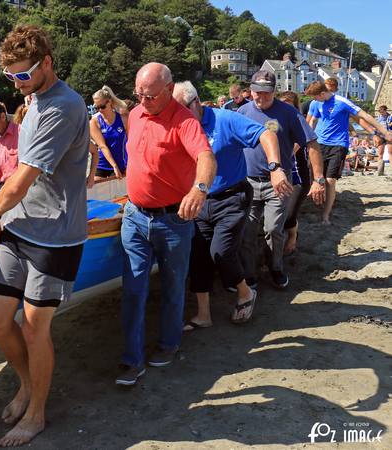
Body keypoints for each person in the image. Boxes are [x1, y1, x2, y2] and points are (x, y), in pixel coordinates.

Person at [0, 25, 90, 448]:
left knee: (33, 328)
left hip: (55, 236)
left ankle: (38, 413)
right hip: (20, 227)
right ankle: (25, 385)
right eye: (11, 78)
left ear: (46, 64)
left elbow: (22, 178)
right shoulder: (35, 100)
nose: (18, 84)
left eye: (23, 75)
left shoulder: (63, 106)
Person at [116, 63, 216, 387]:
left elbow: (205, 157)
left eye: (150, 96)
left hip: (174, 220)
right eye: (139, 94)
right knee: (133, 289)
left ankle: (169, 344)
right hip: (134, 216)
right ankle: (132, 360)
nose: (143, 101)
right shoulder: (134, 114)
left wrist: (199, 189)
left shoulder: (184, 120)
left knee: (173, 287)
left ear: (170, 90)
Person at [172, 81, 284, 328]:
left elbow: (265, 134)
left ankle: (245, 292)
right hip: (199, 200)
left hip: (232, 197)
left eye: (180, 109)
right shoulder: (179, 125)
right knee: (199, 257)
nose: (176, 115)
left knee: (220, 252)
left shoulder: (225, 119)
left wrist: (275, 168)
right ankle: (204, 315)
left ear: (196, 102)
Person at [237, 70, 302, 290]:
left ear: (274, 91)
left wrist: (317, 177)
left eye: (266, 93)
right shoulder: (242, 111)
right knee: (247, 229)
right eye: (256, 92)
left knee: (273, 228)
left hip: (279, 182)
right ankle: (249, 272)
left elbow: (307, 141)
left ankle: (275, 266)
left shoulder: (288, 113)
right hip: (248, 181)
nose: (260, 97)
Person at [304, 80, 392, 224]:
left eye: (315, 97)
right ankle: (316, 203)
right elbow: (312, 121)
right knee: (314, 176)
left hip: (339, 144)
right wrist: (305, 139)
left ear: (322, 93)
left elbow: (365, 116)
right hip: (319, 143)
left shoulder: (341, 101)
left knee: (330, 180)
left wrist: (383, 131)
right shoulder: (315, 103)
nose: (313, 100)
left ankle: (326, 215)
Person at [278, 91, 326, 255]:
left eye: (289, 106)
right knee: (279, 215)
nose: (285, 109)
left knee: (290, 214)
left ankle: (293, 236)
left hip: (298, 176)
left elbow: (294, 149)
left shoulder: (300, 125)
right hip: (280, 175)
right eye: (282, 105)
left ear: (296, 108)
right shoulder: (274, 122)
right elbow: (263, 134)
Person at [89, 85, 128, 179]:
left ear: (109, 101)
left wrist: (130, 164)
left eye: (102, 106)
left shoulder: (123, 118)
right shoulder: (94, 121)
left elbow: (130, 143)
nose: (100, 110)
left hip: (121, 164)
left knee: (121, 194)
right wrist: (114, 166)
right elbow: (102, 146)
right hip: (102, 164)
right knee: (96, 192)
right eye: (96, 108)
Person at [374, 105, 391, 175]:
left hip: (388, 135)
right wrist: (375, 135)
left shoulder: (390, 117)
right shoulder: (378, 118)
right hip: (380, 136)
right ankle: (380, 171)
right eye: (379, 111)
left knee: (390, 153)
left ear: (385, 110)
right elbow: (375, 127)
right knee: (380, 153)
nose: (380, 112)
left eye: (381, 110)